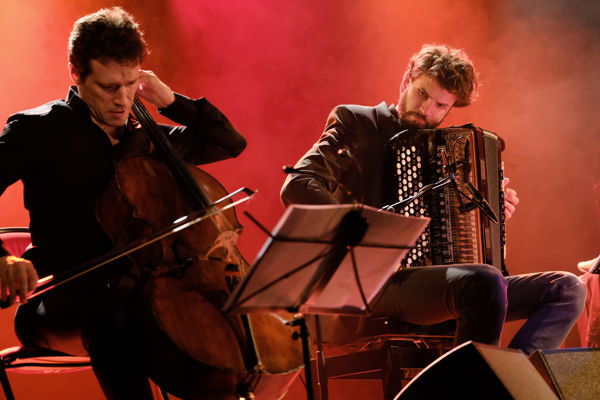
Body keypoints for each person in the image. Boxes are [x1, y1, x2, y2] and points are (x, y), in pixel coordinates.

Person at [0, 7, 247, 399]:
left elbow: (228, 143)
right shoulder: (36, 130)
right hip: (58, 297)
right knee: (113, 311)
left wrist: (170, 100)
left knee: (200, 313)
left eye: (131, 84)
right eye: (109, 87)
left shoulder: (144, 137)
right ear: (76, 73)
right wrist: (4, 258)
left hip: (141, 295)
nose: (123, 100)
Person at [280, 44, 586, 354]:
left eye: (440, 105)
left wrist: (490, 212)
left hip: (441, 285)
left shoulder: (448, 149)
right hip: (369, 283)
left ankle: (511, 382)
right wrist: (358, 230)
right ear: (406, 82)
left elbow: (458, 231)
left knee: (566, 288)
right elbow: (299, 184)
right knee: (484, 282)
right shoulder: (357, 122)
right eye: (422, 94)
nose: (427, 110)